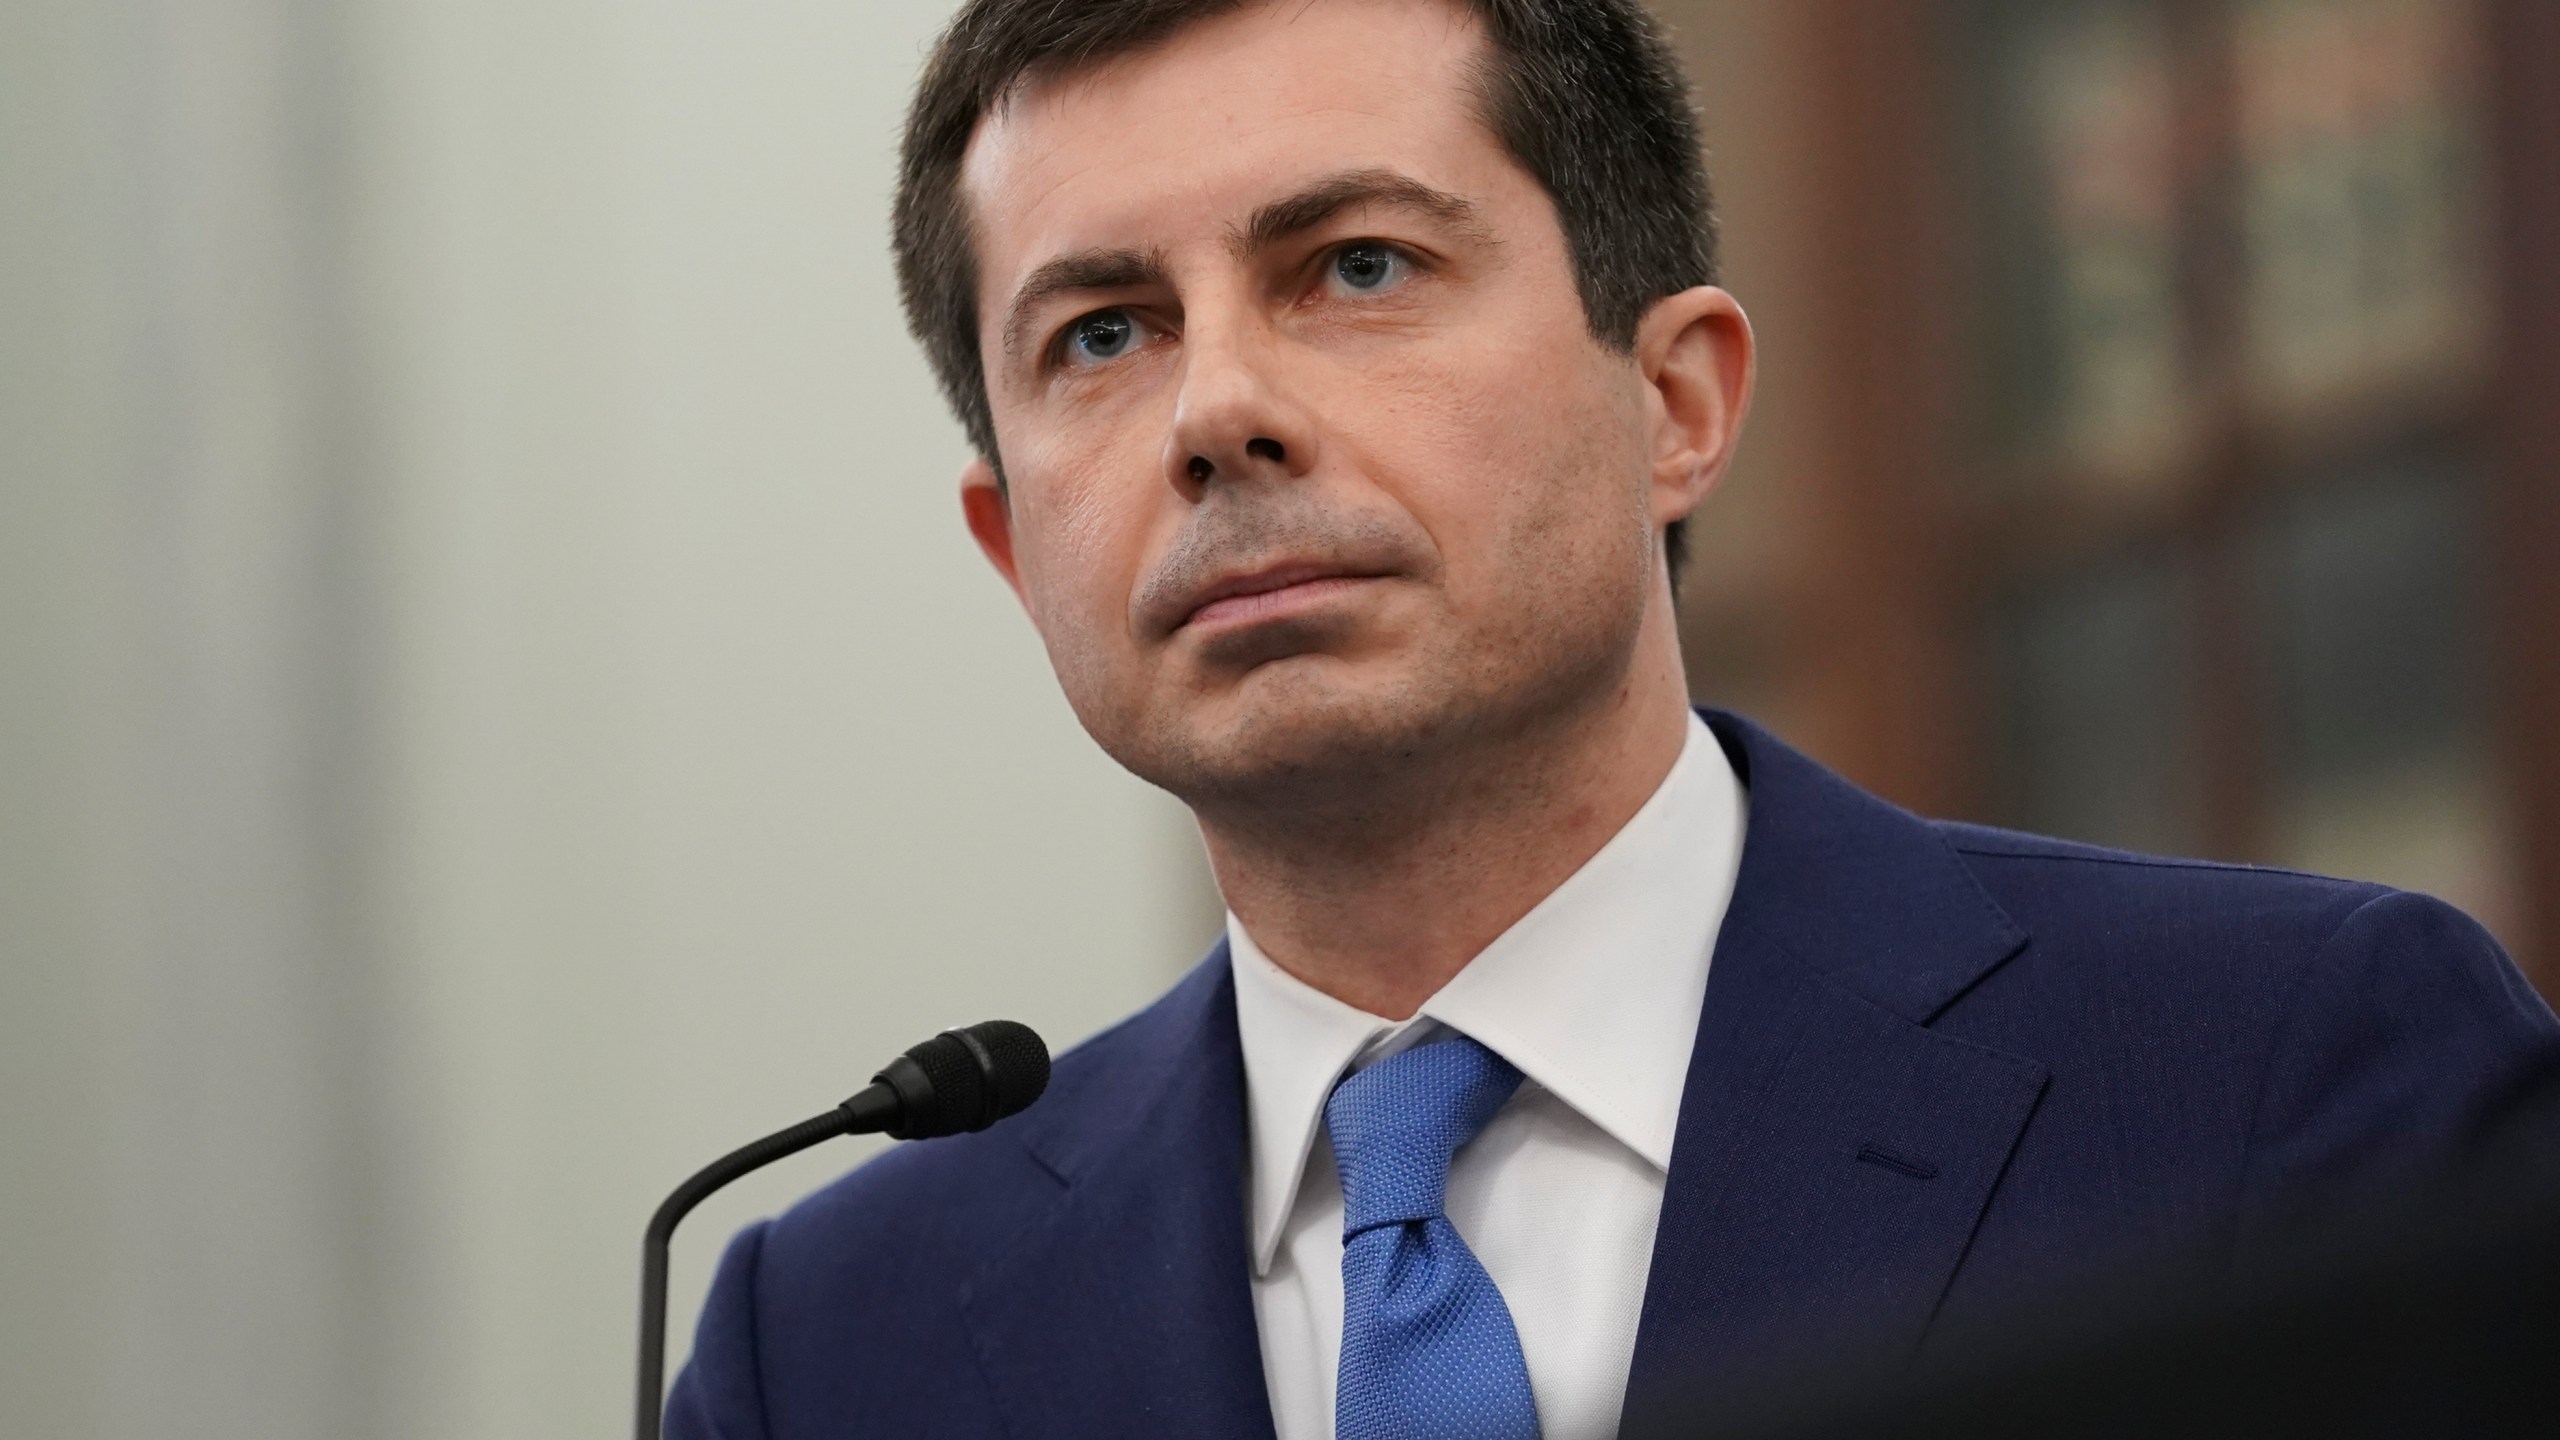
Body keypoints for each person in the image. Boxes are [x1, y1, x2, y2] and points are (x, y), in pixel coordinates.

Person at [666, 2, 2560, 1437]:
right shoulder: (828, 1342)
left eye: (1356, 268)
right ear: (1013, 549)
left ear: (1677, 403)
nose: (1214, 412)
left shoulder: (2292, 1081)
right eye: (1101, 331)